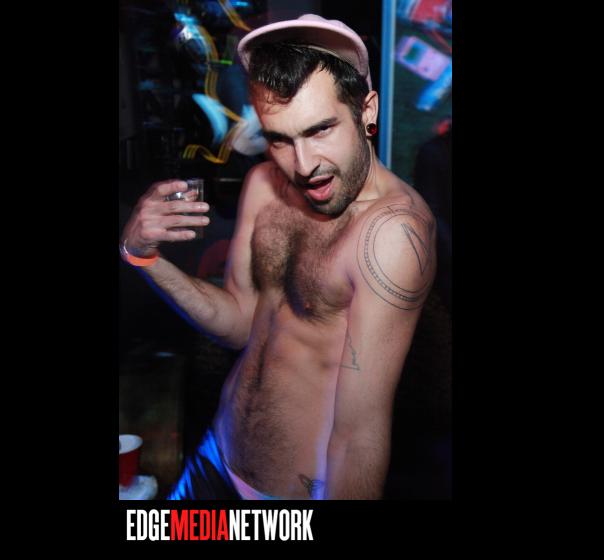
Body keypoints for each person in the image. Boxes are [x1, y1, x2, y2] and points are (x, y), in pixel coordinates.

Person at [120, 14, 437, 500]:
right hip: (215, 456)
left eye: (321, 129)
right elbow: (240, 323)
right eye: (280, 139)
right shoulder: (263, 186)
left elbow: (359, 436)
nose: (304, 165)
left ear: (367, 111)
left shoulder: (392, 233)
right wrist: (144, 257)